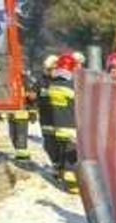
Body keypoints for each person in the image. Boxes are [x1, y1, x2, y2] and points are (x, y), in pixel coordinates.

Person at [46, 52, 80, 192]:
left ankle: (62, 176)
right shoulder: (71, 86)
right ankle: (72, 187)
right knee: (71, 159)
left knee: (62, 155)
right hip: (71, 127)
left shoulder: (53, 85)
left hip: (58, 127)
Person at [37, 54, 58, 167]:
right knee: (49, 144)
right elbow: (34, 94)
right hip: (46, 117)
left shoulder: (62, 81)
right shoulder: (41, 81)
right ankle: (55, 163)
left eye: (56, 68)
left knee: (60, 145)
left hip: (60, 118)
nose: (53, 71)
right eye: (51, 69)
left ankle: (59, 165)